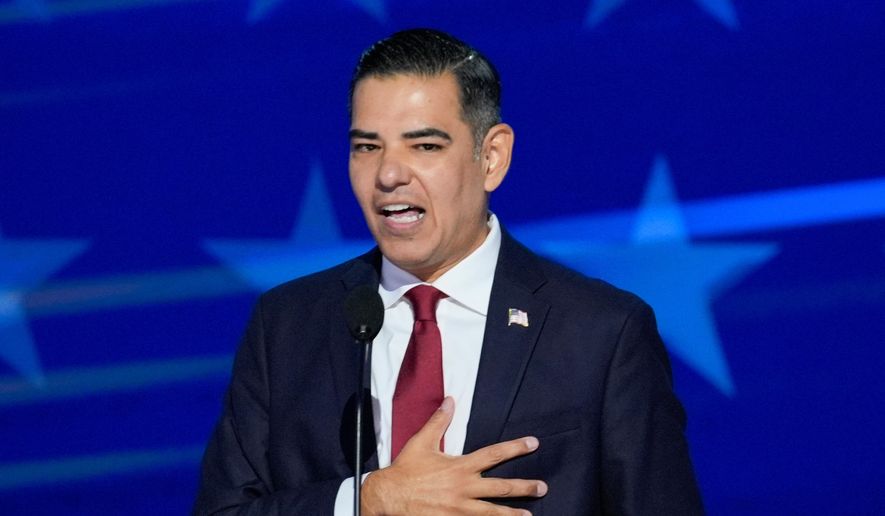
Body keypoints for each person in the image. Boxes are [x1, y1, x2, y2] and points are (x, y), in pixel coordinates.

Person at [194, 28, 703, 515]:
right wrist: (369, 500)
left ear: (492, 157)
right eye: (367, 147)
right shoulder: (287, 325)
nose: (389, 175)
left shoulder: (600, 333)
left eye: (425, 146)